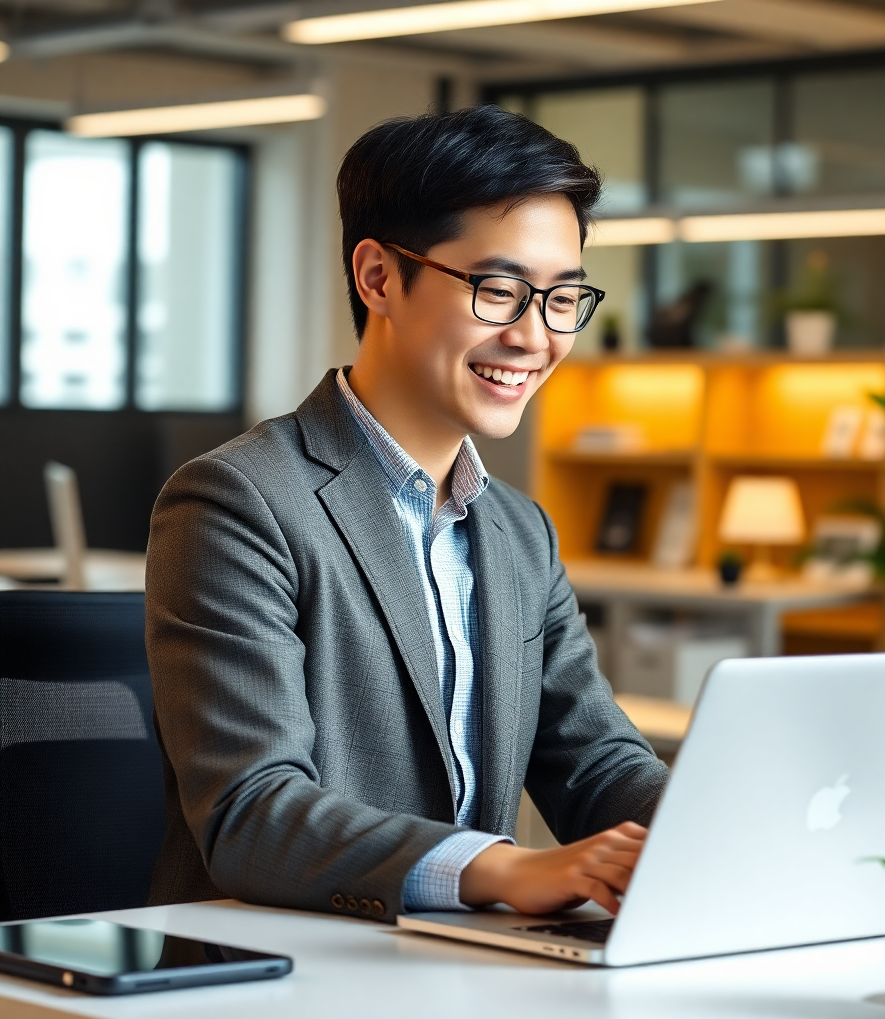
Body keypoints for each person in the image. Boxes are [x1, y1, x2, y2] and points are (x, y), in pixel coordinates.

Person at [146, 105, 669, 924]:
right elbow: (253, 811)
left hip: (460, 969)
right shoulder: (236, 502)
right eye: (501, 292)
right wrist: (504, 869)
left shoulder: (518, 532)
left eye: (563, 299)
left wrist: (722, 828)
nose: (536, 337)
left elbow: (595, 764)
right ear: (379, 277)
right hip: (275, 969)